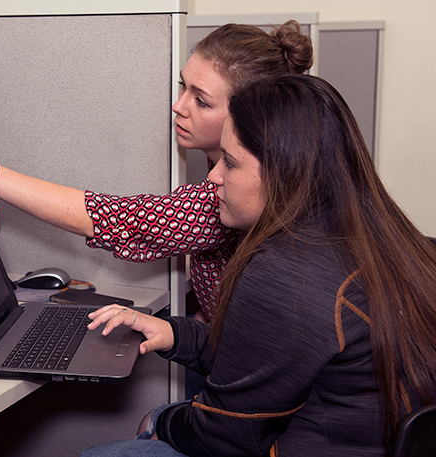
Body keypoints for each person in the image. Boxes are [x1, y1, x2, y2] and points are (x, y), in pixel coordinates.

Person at [80, 75, 436, 456]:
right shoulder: (400, 241)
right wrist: (175, 334)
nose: (214, 177)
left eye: (230, 163)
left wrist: (161, 424)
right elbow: (274, 358)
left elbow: (225, 436)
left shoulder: (289, 271)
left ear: (286, 172)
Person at [0, 21, 313, 324]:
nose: (178, 106)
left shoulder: (237, 189)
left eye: (201, 100)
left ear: (251, 115)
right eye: (184, 86)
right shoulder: (221, 163)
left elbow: (113, 217)